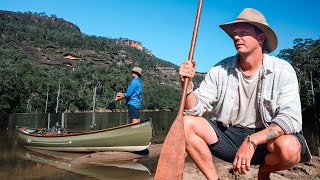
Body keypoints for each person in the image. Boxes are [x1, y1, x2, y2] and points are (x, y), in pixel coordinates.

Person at [179, 8, 311, 180]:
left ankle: (264, 172)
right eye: (235, 33)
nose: (236, 37)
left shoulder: (283, 70)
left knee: (289, 148)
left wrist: (253, 140)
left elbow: (291, 120)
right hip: (231, 136)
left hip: (266, 141)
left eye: (243, 33)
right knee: (186, 123)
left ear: (261, 38)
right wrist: (187, 88)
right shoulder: (220, 69)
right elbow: (194, 110)